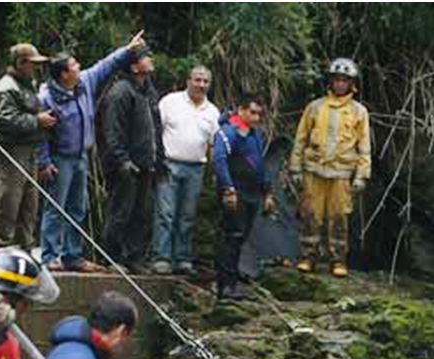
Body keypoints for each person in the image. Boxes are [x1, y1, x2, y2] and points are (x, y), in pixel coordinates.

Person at [37, 31, 147, 272]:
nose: (79, 67)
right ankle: (49, 256)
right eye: (74, 65)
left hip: (81, 157)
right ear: (64, 74)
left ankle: (72, 255)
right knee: (55, 207)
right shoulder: (47, 97)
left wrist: (128, 49)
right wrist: (44, 162)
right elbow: (41, 134)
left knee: (78, 207)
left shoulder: (84, 82)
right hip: (60, 158)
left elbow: (106, 65)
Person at [289, 58, 372, 279]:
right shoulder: (315, 107)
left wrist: (362, 176)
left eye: (345, 80)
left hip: (342, 173)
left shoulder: (359, 112)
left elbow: (364, 147)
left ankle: (338, 259)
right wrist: (295, 168)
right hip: (314, 170)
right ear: (330, 81)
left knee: (339, 217)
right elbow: (301, 139)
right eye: (337, 80)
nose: (340, 84)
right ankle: (308, 256)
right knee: (311, 214)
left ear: (352, 83)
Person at [0, 43, 57, 252]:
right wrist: (37, 121)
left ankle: (25, 247)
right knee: (8, 198)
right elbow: (6, 119)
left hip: (30, 148)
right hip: (11, 150)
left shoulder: (28, 83)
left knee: (30, 202)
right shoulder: (6, 88)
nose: (36, 68)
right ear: (21, 63)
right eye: (33, 64)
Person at [151, 66, 220, 276]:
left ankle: (182, 258)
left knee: (187, 216)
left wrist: (214, 170)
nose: (201, 85)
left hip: (196, 168)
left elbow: (212, 144)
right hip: (169, 164)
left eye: (205, 81)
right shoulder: (170, 102)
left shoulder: (212, 111)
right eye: (197, 80)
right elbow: (156, 130)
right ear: (188, 80)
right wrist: (156, 160)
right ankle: (161, 257)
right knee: (166, 213)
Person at [100, 44, 163, 273]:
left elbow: (155, 128)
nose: (150, 59)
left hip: (147, 163)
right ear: (134, 67)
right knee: (120, 212)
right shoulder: (120, 92)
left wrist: (158, 160)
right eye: (145, 57)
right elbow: (112, 132)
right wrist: (122, 160)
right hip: (125, 165)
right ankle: (111, 258)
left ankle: (134, 258)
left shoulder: (148, 91)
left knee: (142, 213)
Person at [212, 93, 277, 300]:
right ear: (241, 110)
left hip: (252, 194)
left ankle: (232, 279)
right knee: (230, 236)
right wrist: (228, 189)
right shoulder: (228, 132)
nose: (256, 118)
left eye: (259, 114)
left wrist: (267, 192)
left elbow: (260, 164)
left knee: (240, 237)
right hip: (235, 193)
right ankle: (224, 285)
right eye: (252, 112)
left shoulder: (254, 134)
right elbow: (219, 160)